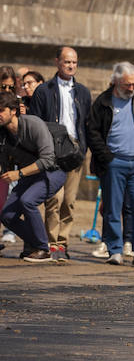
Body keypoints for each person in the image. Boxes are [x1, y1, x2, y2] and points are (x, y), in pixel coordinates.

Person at [86, 62, 134, 266]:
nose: (131, 88)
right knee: (112, 208)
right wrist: (107, 157)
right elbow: (92, 132)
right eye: (127, 84)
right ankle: (115, 250)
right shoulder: (103, 101)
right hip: (114, 163)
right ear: (117, 82)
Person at [29, 46, 91, 258]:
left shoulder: (83, 92)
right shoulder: (43, 91)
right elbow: (35, 122)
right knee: (54, 198)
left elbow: (86, 123)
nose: (71, 66)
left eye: (74, 62)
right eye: (67, 62)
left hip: (74, 150)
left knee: (69, 201)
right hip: (52, 149)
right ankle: (51, 242)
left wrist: (83, 148)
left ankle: (63, 242)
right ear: (57, 62)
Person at [0, 90, 63, 262]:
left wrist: (19, 173)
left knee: (27, 201)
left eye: (0, 110)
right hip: (28, 176)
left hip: (53, 172)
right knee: (7, 215)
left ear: (13, 111)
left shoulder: (33, 124)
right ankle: (35, 243)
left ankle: (44, 249)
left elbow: (48, 159)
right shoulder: (3, 133)